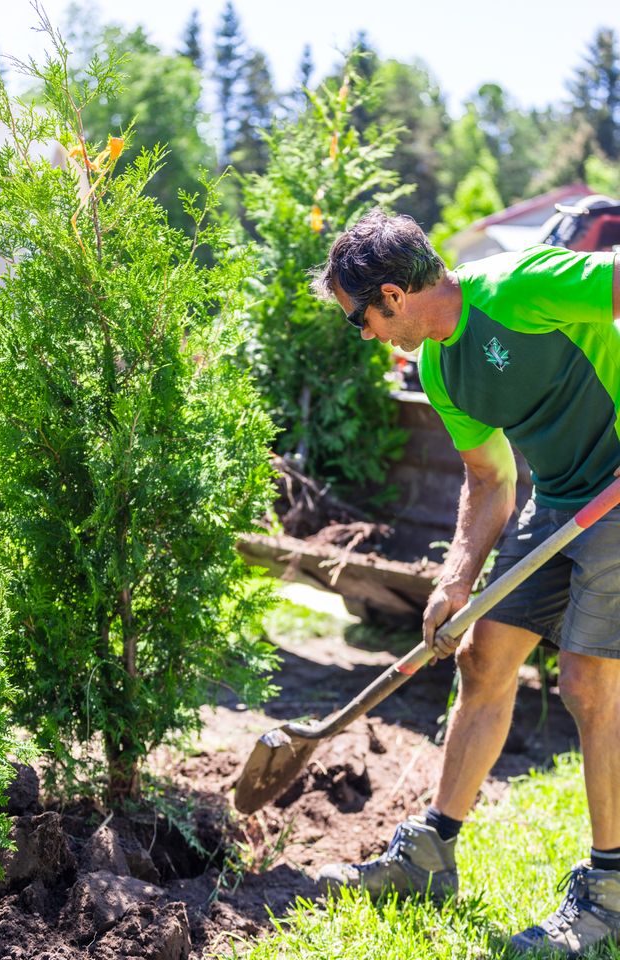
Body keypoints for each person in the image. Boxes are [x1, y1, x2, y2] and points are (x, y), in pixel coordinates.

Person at [310, 207, 620, 956]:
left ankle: (611, 892)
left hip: (617, 490)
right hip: (556, 499)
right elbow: (487, 478)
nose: (367, 337)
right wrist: (455, 581)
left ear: (391, 295)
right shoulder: (439, 366)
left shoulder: (518, 285)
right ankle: (430, 855)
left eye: (360, 321)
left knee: (585, 681)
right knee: (484, 657)